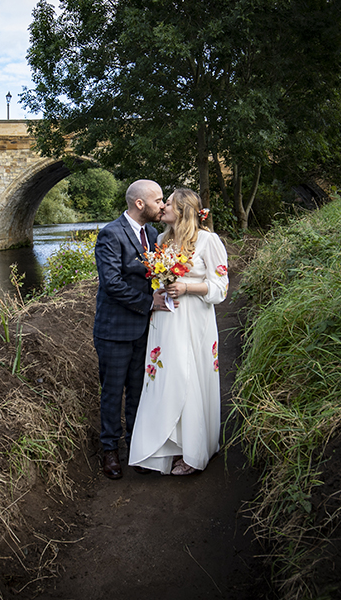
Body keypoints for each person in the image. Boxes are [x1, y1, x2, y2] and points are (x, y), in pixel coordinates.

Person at [129, 188, 229, 476]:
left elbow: (221, 288)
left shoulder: (208, 240)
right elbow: (158, 280)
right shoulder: (161, 240)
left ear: (183, 210)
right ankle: (166, 444)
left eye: (168, 203)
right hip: (166, 321)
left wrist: (187, 287)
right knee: (166, 379)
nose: (162, 208)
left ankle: (194, 450)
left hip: (195, 321)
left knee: (192, 379)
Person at [93, 179, 170, 479]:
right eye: (158, 200)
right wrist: (149, 302)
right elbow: (111, 284)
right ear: (140, 203)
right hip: (115, 330)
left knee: (139, 391)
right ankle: (110, 451)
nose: (162, 205)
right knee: (113, 393)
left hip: (143, 329)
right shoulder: (110, 234)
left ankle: (137, 450)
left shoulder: (151, 233)